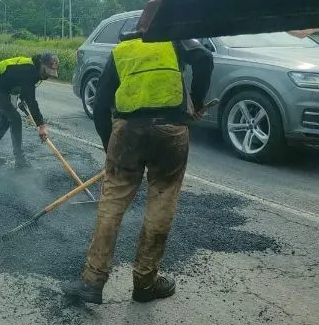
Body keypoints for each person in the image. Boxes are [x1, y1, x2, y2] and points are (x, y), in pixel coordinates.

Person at [62, 33, 213, 304]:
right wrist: (198, 101)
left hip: (128, 132)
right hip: (171, 130)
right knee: (162, 202)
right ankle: (145, 283)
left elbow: (99, 107)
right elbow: (204, 58)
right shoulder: (174, 39)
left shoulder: (121, 51)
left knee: (112, 204)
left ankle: (92, 281)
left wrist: (109, 145)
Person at [0, 53, 59, 169]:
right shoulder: (28, 70)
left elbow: (22, 88)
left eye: (50, 73)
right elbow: (31, 101)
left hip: (6, 86)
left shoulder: (35, 71)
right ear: (41, 64)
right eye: (46, 71)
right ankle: (19, 159)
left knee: (7, 120)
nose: (47, 75)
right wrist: (41, 125)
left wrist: (23, 99)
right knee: (15, 119)